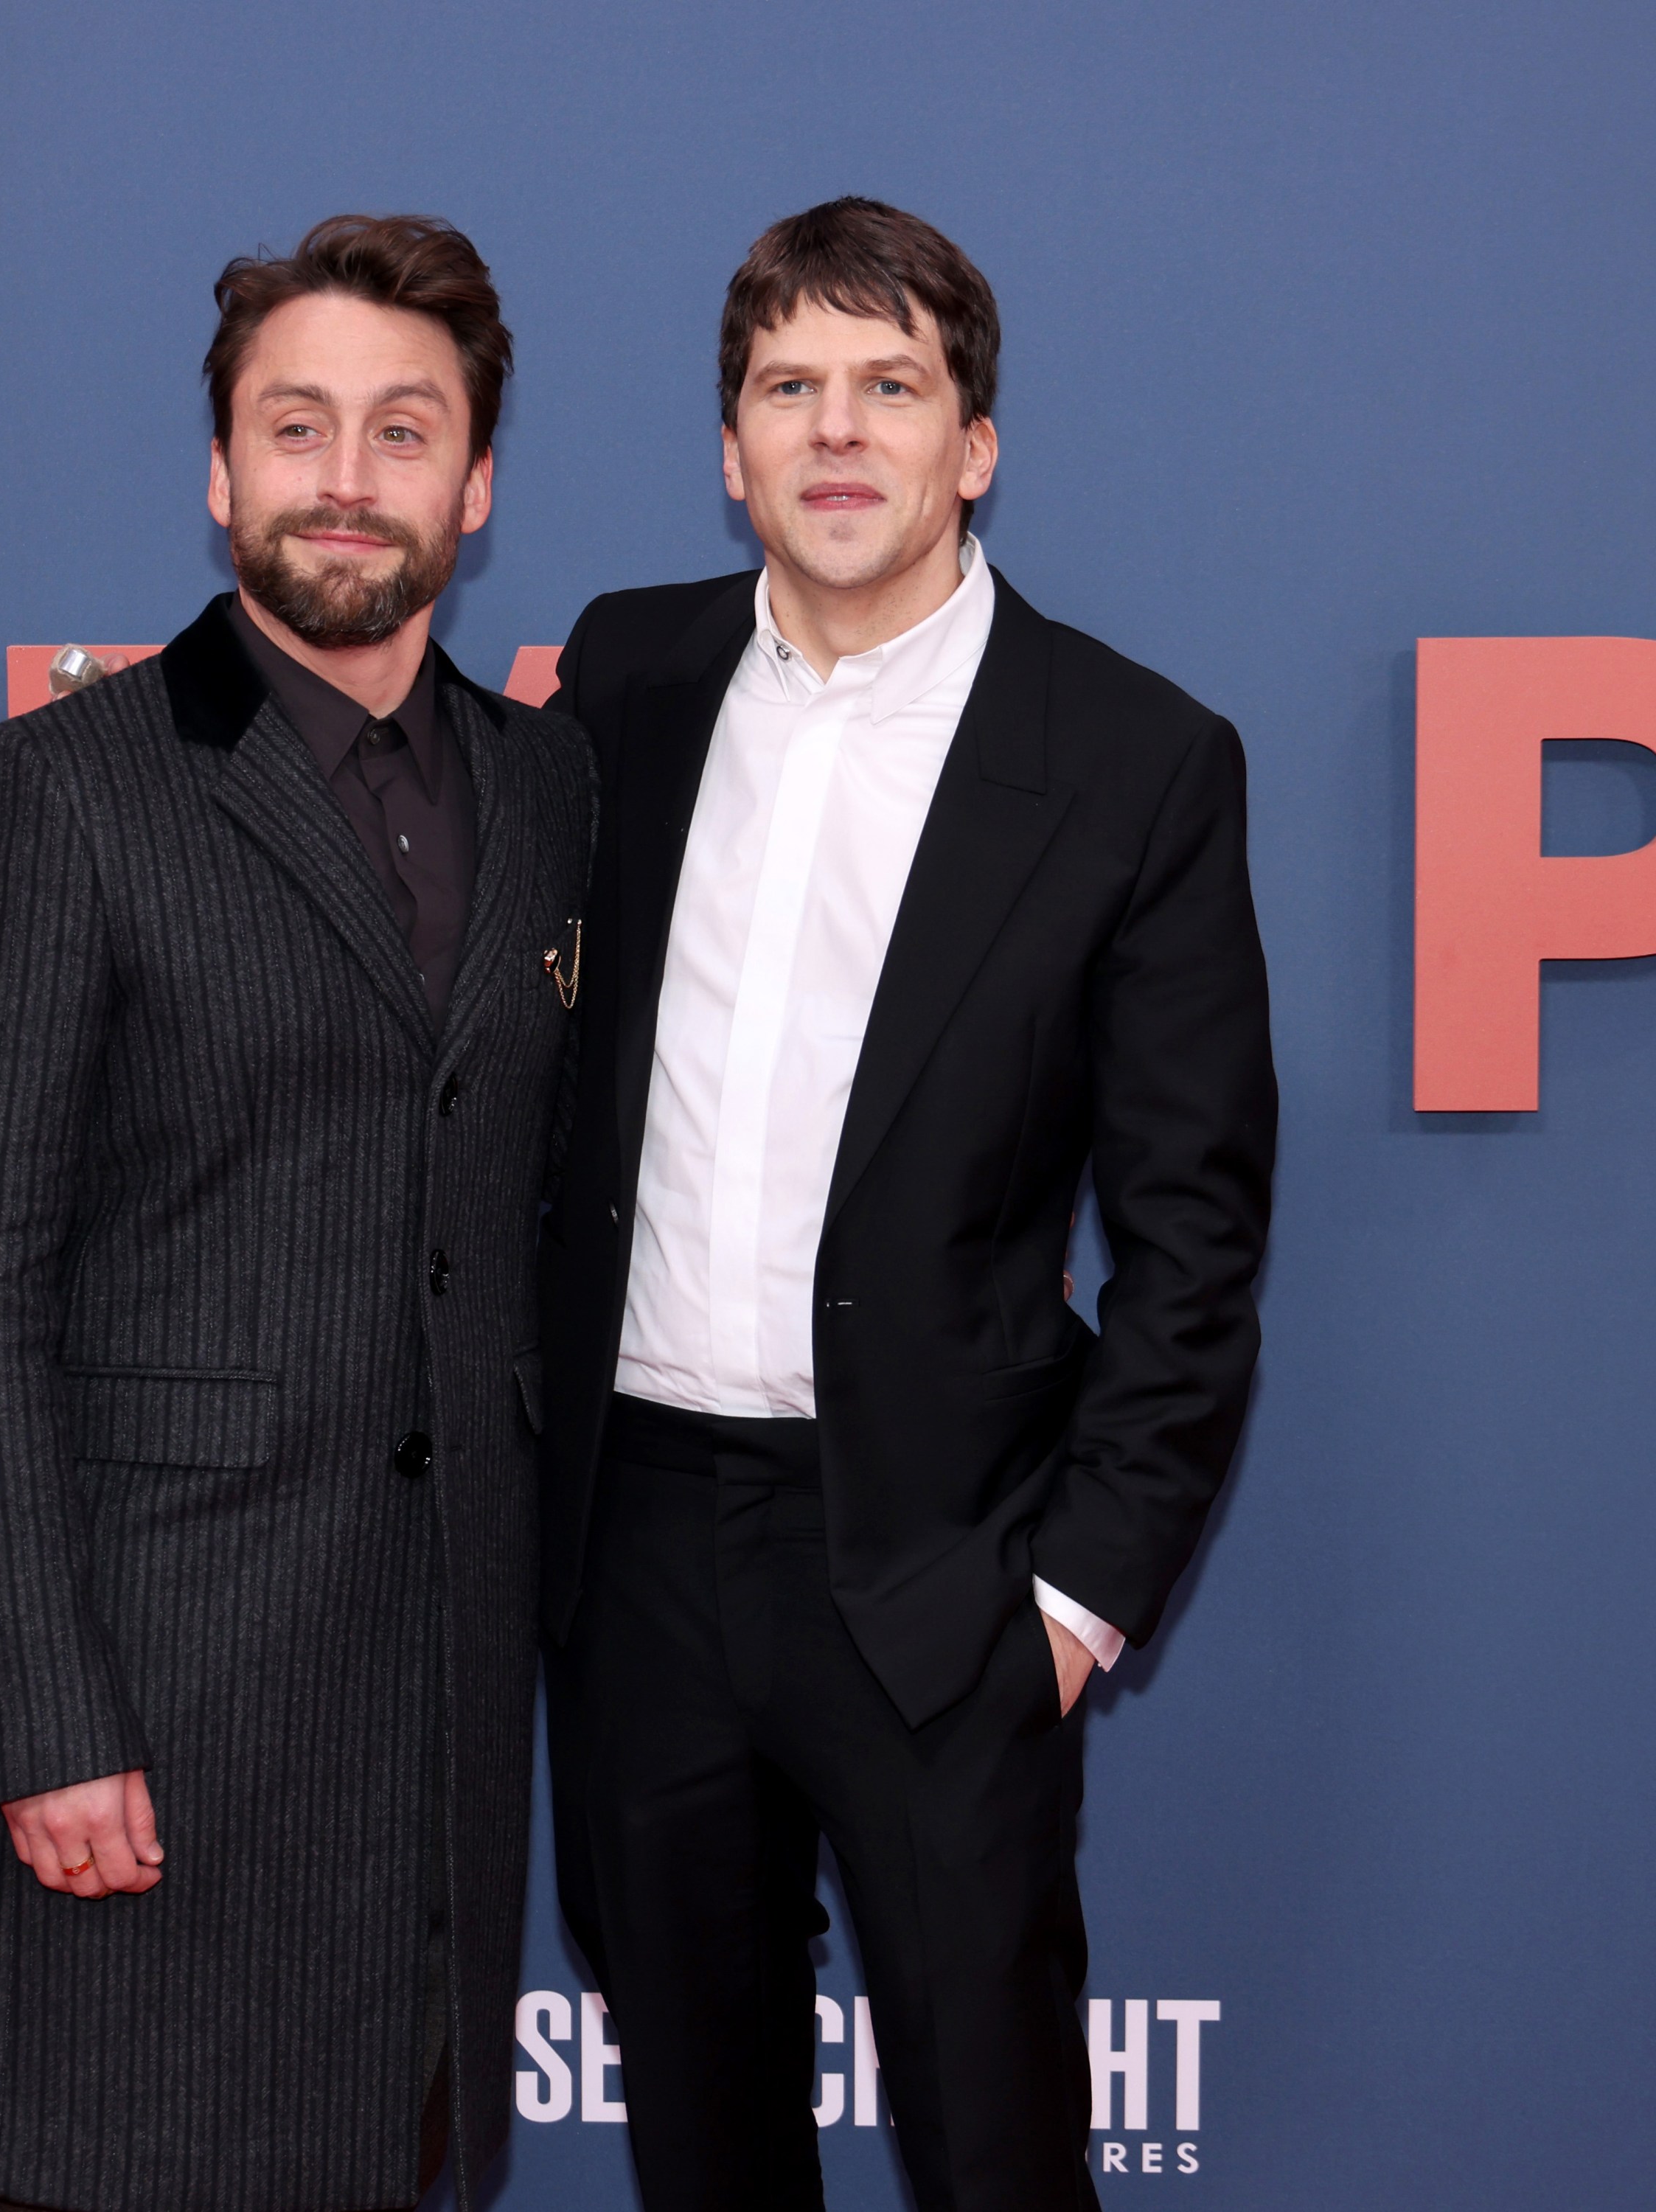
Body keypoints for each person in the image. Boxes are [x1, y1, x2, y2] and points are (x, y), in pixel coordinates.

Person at [538, 197, 1276, 2211]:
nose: (836, 432)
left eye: (891, 386)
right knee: (701, 2146)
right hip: (644, 1555)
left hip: (945, 1574)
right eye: (790, 387)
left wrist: (1071, 1603)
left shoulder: (1133, 760)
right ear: (730, 446)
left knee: (997, 2150)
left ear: (975, 444)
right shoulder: (626, 677)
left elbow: (1198, 1240)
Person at [0, 213, 593, 2212]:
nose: (347, 480)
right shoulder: (59, 796)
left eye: (402, 429)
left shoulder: (551, 796)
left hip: (442, 1733)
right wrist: (44, 1713)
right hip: (155, 1718)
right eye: (298, 428)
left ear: (477, 484)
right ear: (221, 478)